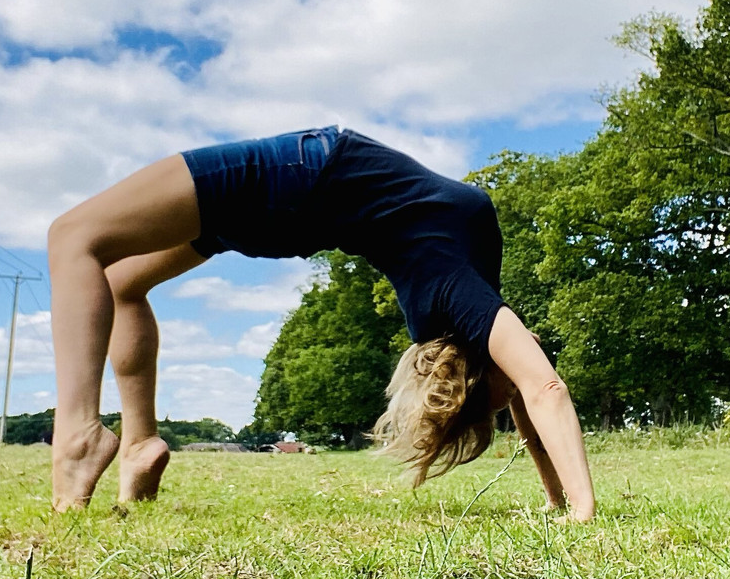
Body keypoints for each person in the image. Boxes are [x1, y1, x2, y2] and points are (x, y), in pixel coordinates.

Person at [47, 126, 595, 520]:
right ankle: (140, 444)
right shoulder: (465, 310)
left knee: (74, 237)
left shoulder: (458, 300)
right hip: (298, 210)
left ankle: (77, 434)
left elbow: (542, 389)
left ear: (481, 371)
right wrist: (558, 499)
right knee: (123, 285)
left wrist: (582, 511)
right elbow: (531, 395)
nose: (526, 372)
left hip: (304, 177)